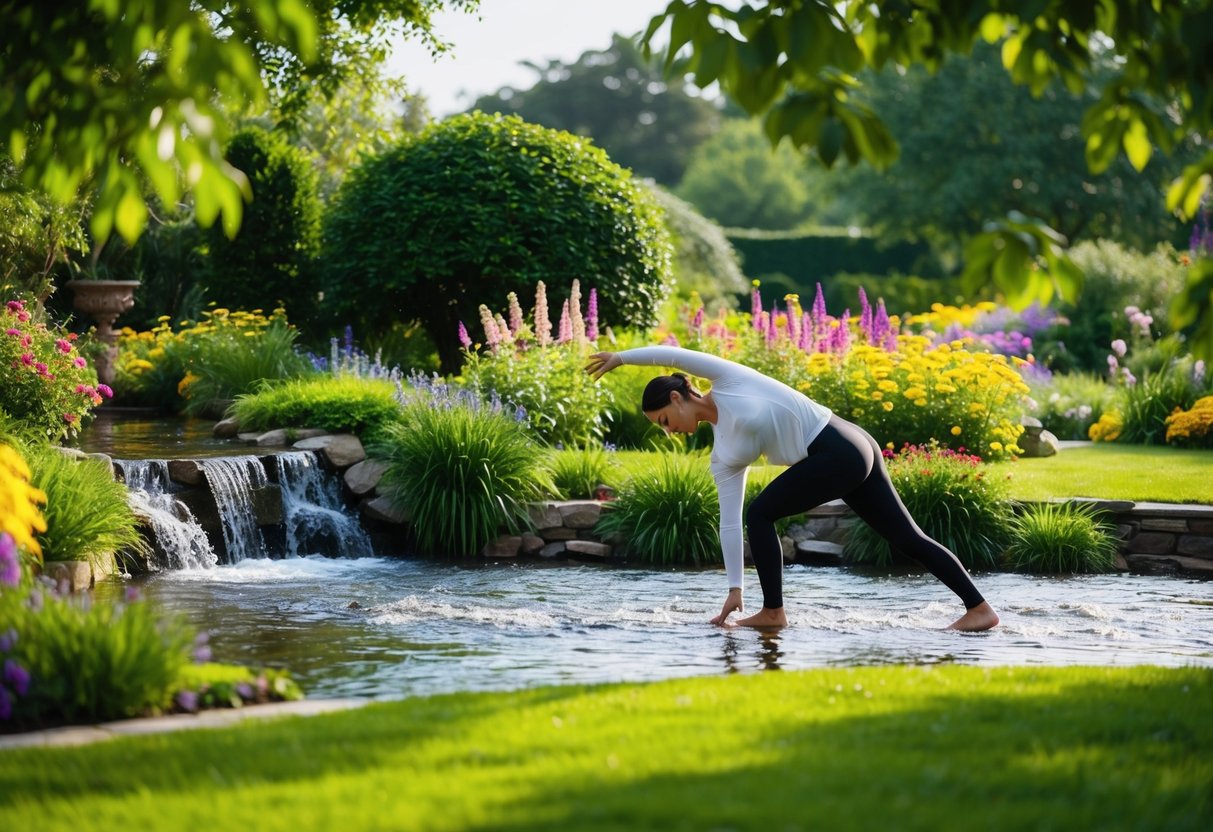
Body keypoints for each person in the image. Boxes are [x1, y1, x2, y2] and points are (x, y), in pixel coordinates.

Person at [585, 345, 1000, 632]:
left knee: (765, 512)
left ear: (677, 398)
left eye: (663, 421)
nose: (669, 431)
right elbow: (730, 524)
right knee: (904, 538)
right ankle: (980, 610)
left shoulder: (729, 379)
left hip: (842, 442)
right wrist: (734, 589)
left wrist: (622, 359)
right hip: (842, 454)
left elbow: (673, 354)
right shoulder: (724, 454)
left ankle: (773, 613)